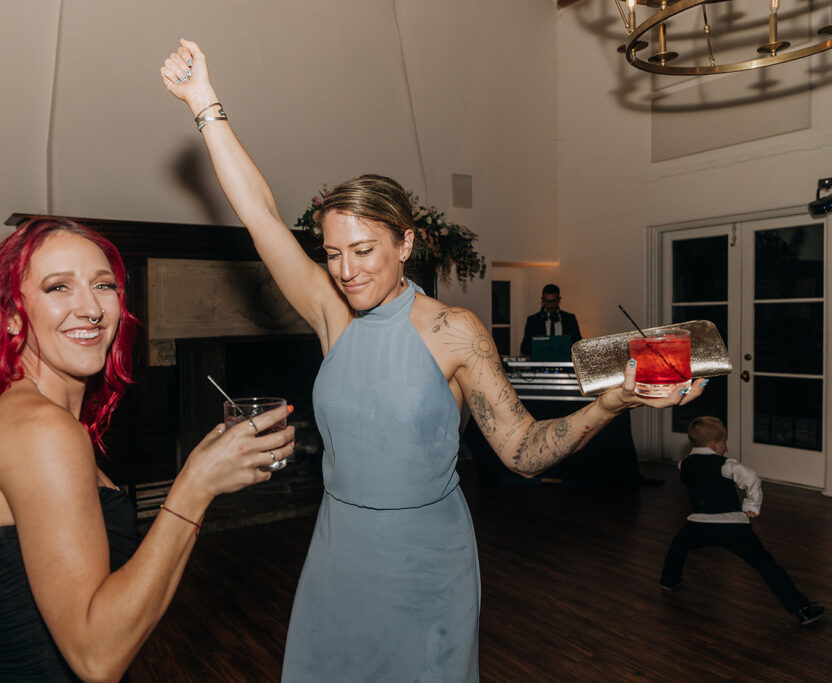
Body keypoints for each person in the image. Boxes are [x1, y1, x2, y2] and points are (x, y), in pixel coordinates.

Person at [161, 40, 705, 681]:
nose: (345, 270)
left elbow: (524, 450)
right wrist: (205, 105)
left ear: (406, 243)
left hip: (426, 561)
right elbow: (259, 213)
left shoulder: (455, 331)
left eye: (364, 250)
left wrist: (613, 400)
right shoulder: (331, 313)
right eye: (333, 253)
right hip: (338, 554)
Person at [0, 217, 295, 681]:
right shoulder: (41, 431)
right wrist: (194, 486)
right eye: (58, 288)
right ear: (12, 315)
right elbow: (97, 657)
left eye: (103, 285)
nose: (91, 308)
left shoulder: (31, 417)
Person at [660, 416, 825, 626]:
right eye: (723, 443)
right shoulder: (726, 465)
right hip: (732, 526)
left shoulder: (685, 464)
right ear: (713, 444)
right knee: (764, 564)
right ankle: (802, 609)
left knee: (678, 547)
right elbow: (752, 479)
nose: (726, 447)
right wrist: (751, 505)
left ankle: (669, 581)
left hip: (699, 525)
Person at [519, 283, 582, 357]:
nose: (550, 305)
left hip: (564, 365)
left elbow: (578, 346)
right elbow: (524, 348)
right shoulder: (533, 320)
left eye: (553, 302)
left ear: (559, 300)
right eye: (547, 302)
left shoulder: (570, 319)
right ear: (542, 300)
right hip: (541, 364)